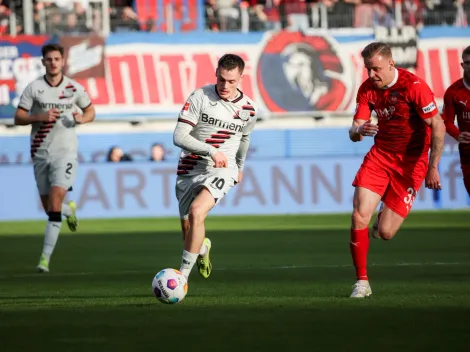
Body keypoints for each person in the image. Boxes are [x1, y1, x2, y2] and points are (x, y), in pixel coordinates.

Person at [348, 42, 445, 298]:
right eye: (368, 69)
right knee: (359, 215)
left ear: (391, 64)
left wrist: (433, 167)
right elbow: (354, 130)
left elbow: (437, 124)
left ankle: (381, 222)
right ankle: (362, 282)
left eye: (376, 69)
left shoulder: (413, 87)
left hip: (411, 163)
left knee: (386, 233)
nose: (371, 75)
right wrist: (360, 130)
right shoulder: (367, 89)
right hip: (380, 157)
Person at [172, 53, 257, 282]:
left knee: (197, 211)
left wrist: (239, 166)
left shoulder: (248, 109)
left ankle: (182, 279)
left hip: (222, 168)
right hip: (190, 167)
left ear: (240, 77)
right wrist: (210, 150)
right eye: (221, 79)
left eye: (231, 81)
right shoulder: (200, 96)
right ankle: (202, 249)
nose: (225, 85)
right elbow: (179, 136)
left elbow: (244, 139)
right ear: (216, 74)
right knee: (189, 232)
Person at [14, 43, 95, 273]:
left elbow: (91, 111)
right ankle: (69, 211)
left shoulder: (74, 88)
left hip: (65, 153)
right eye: (48, 59)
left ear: (62, 61)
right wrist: (40, 116)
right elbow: (18, 117)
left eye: (57, 59)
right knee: (51, 208)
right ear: (43, 62)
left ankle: (44, 259)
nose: (53, 63)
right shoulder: (34, 88)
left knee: (56, 200)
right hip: (40, 152)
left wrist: (81, 119)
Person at [442, 45, 470, 196]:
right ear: (462, 65)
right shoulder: (453, 92)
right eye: (468, 63)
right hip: (467, 153)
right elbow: (446, 121)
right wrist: (457, 135)